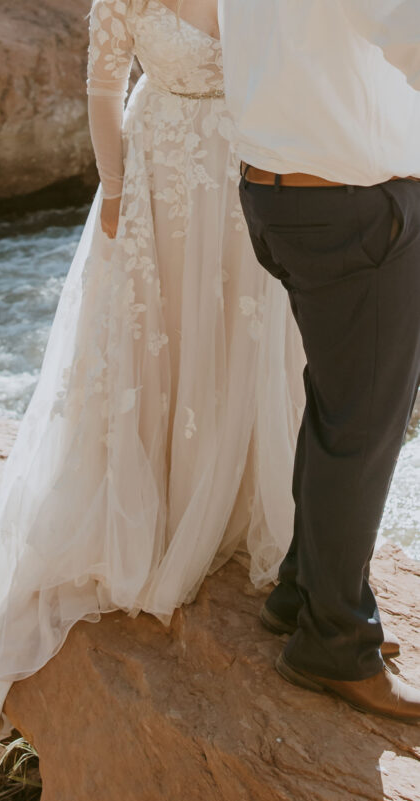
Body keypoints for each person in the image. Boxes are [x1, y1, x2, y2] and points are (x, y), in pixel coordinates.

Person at [0, 0, 338, 798]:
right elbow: (104, 87)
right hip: (159, 176)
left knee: (246, 338)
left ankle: (237, 498)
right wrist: (114, 189)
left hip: (252, 173)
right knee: (160, 340)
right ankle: (161, 503)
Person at [220, 0, 420, 720]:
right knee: (364, 426)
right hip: (352, 207)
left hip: (280, 196)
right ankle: (333, 644)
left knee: (341, 405)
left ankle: (302, 590)